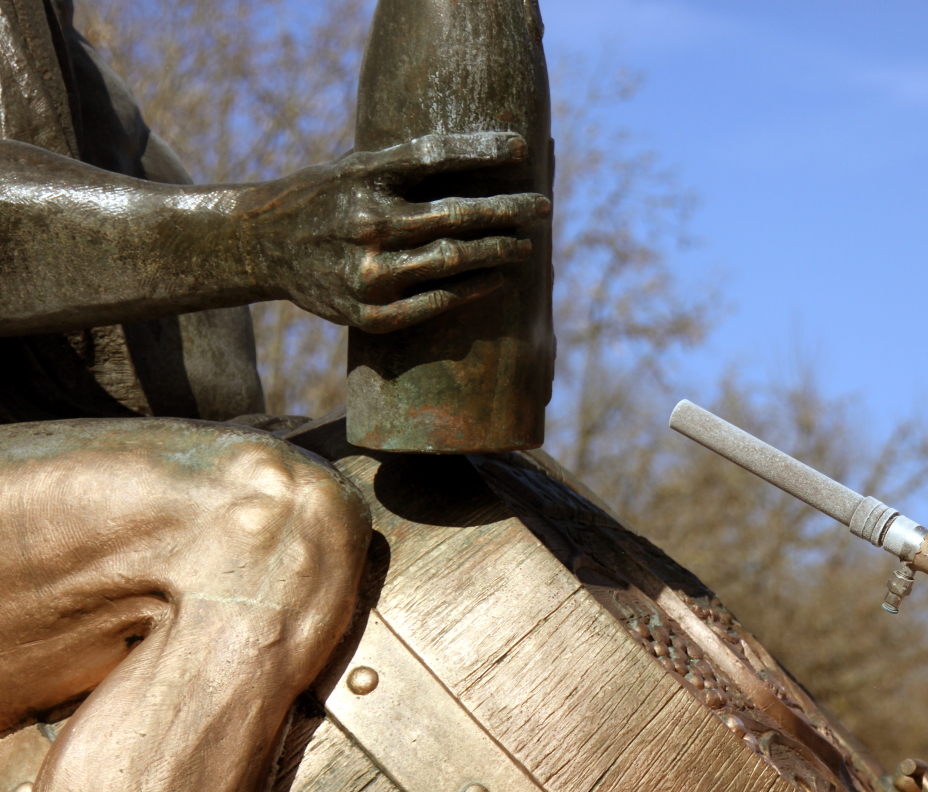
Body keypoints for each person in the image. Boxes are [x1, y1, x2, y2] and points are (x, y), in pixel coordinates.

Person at [0, 0, 548, 789]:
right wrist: (253, 235)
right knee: (263, 524)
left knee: (431, 507)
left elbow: (205, 412)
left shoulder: (93, 98)